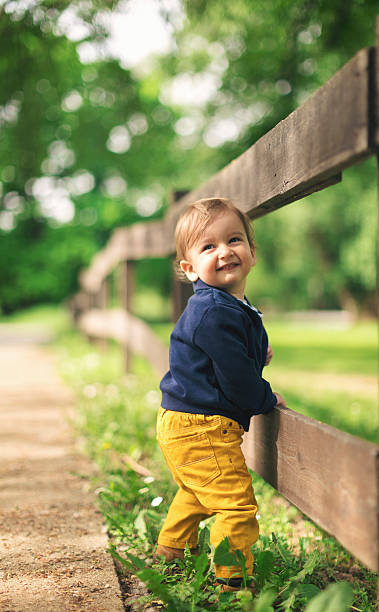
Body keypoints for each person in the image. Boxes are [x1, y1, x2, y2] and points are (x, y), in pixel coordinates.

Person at [155, 197, 286, 592]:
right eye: (208, 246)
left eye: (234, 239)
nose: (225, 251)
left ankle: (171, 550)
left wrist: (253, 353)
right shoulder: (214, 311)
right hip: (201, 426)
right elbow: (236, 382)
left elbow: (224, 355)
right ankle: (232, 580)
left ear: (252, 252)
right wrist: (264, 396)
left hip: (183, 422)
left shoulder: (225, 305)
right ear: (189, 268)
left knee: (197, 492)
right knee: (235, 505)